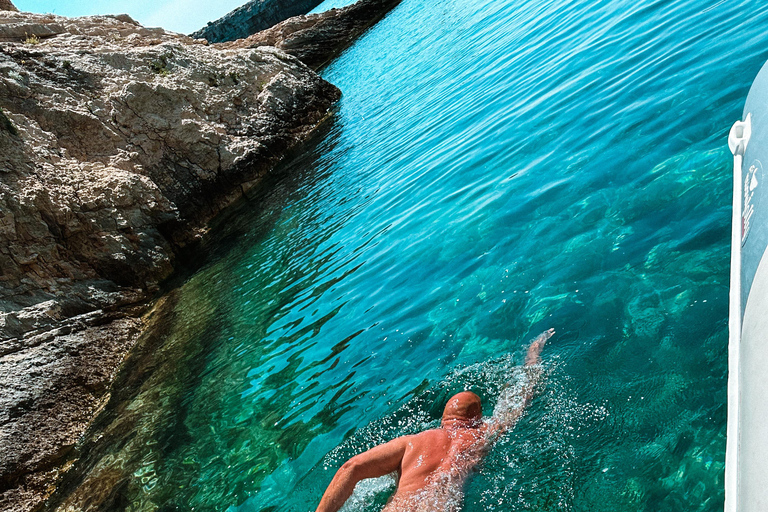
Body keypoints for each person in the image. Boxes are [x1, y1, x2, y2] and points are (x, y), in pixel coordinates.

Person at [315, 328, 554, 512]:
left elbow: (351, 467)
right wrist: (533, 353)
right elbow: (522, 394)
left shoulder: (412, 442)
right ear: (478, 418)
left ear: (444, 418)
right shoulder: (485, 432)